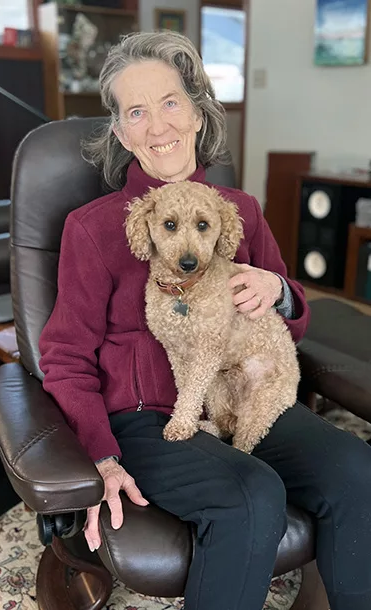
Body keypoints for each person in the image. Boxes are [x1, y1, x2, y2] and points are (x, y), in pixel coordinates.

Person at [39, 31, 371, 610]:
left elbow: (288, 322)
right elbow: (65, 356)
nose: (159, 126)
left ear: (197, 110)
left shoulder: (239, 211)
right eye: (137, 112)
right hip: (147, 421)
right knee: (251, 493)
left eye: (171, 102)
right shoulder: (91, 228)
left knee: (355, 467)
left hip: (242, 394)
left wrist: (280, 291)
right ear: (121, 133)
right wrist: (98, 453)